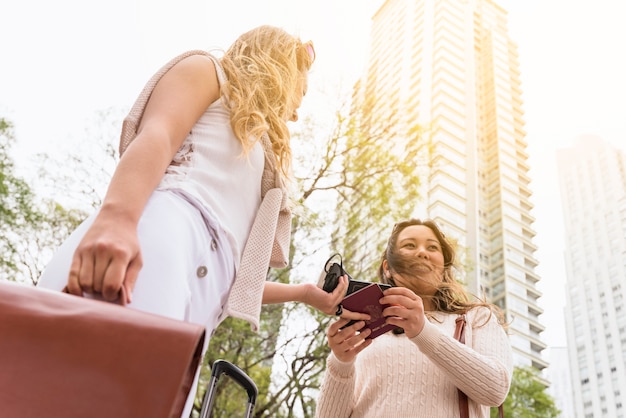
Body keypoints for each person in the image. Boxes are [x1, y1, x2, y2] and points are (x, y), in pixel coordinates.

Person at [37, 25, 350, 417]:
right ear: (279, 68)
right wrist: (116, 219)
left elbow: (234, 277)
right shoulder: (209, 71)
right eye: (299, 93)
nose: (297, 113)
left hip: (198, 313)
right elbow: (159, 134)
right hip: (154, 244)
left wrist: (304, 293)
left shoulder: (261, 155)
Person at [315, 219, 513, 418]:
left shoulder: (475, 318)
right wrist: (341, 362)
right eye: (409, 245)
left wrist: (422, 332)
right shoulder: (363, 328)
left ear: (444, 267)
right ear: (387, 267)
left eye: (432, 247)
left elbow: (495, 391)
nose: (422, 252)